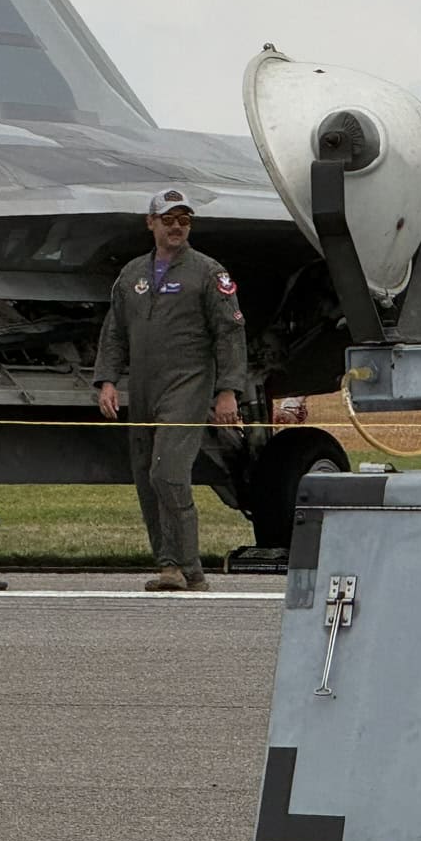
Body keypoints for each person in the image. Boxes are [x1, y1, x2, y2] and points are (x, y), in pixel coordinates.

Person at [91, 186, 250, 592]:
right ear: (151, 223)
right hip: (144, 387)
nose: (177, 227)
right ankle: (171, 567)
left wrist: (228, 391)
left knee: (168, 471)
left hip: (188, 385)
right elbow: (115, 333)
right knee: (146, 474)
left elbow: (230, 333)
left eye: (184, 220)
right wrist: (107, 380)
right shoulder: (132, 275)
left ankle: (187, 563)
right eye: (168, 219)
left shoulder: (209, 273)